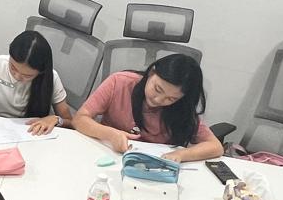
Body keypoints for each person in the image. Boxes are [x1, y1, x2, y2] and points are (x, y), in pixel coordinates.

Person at [74, 53, 223, 163]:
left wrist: (180, 155)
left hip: (152, 166)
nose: (158, 100)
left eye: (171, 99)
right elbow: (80, 119)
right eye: (157, 89)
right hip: (107, 156)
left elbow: (215, 146)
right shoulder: (119, 82)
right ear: (151, 73)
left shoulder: (181, 108)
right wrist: (110, 134)